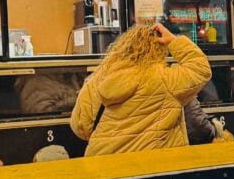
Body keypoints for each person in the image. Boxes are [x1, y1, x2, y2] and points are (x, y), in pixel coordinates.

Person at [70, 22, 211, 156]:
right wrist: (173, 41)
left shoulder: (96, 81)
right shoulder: (166, 79)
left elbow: (80, 128)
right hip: (153, 170)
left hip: (102, 168)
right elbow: (200, 69)